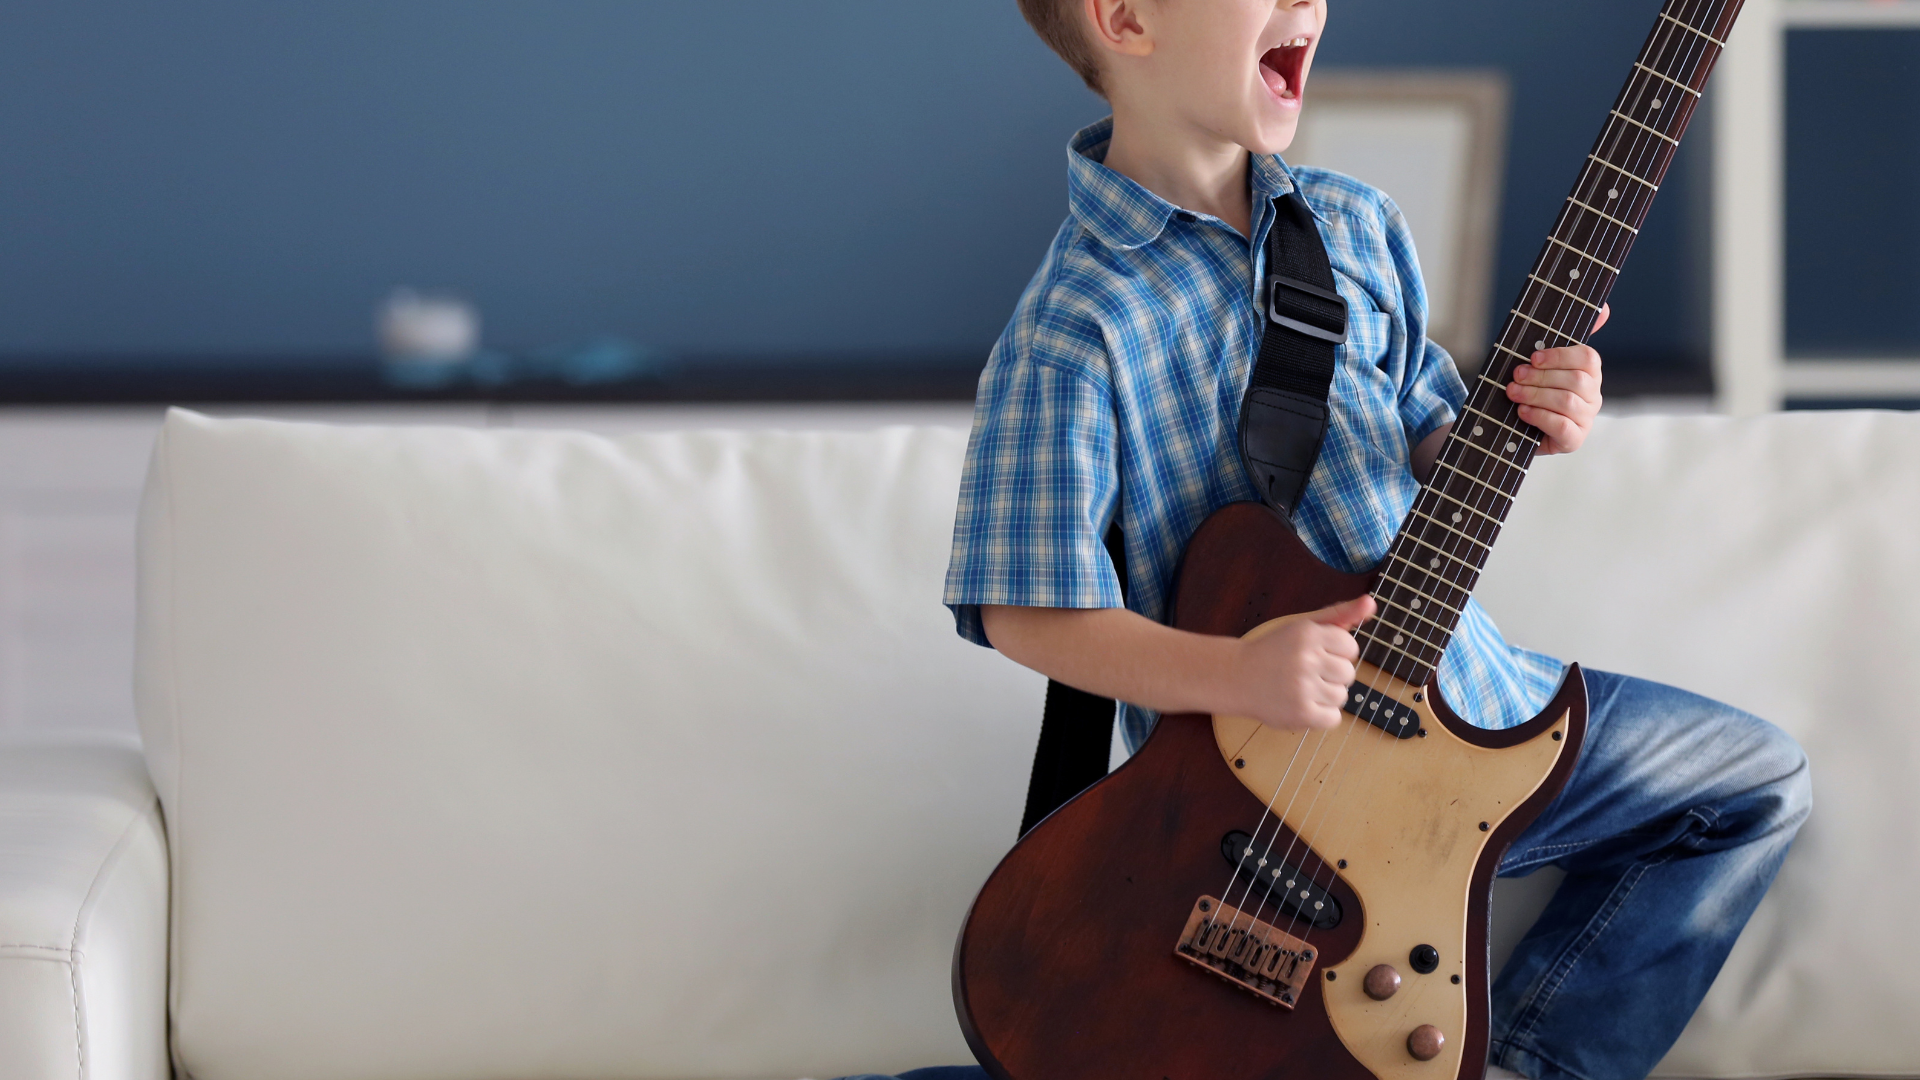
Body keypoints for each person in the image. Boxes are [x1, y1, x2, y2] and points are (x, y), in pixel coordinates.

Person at [849, 3, 1811, 1080]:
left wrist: (1526, 417)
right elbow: (1024, 608)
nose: (1308, 3)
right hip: (1267, 804)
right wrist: (1236, 673)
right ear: (1125, 19)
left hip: (1477, 708)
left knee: (1756, 784)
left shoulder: (1357, 225)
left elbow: (1423, 433)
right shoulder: (1073, 327)